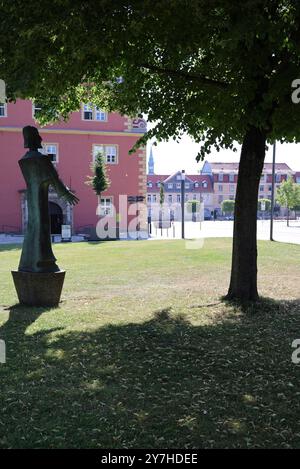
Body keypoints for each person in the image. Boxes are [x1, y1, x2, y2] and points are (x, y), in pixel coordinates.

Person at [18, 126, 79, 273]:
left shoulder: (24, 161)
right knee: (42, 228)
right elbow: (53, 178)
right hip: (41, 199)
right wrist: (65, 194)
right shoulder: (42, 159)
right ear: (34, 138)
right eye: (38, 136)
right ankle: (43, 261)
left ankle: (28, 262)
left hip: (32, 198)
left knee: (33, 227)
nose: (41, 138)